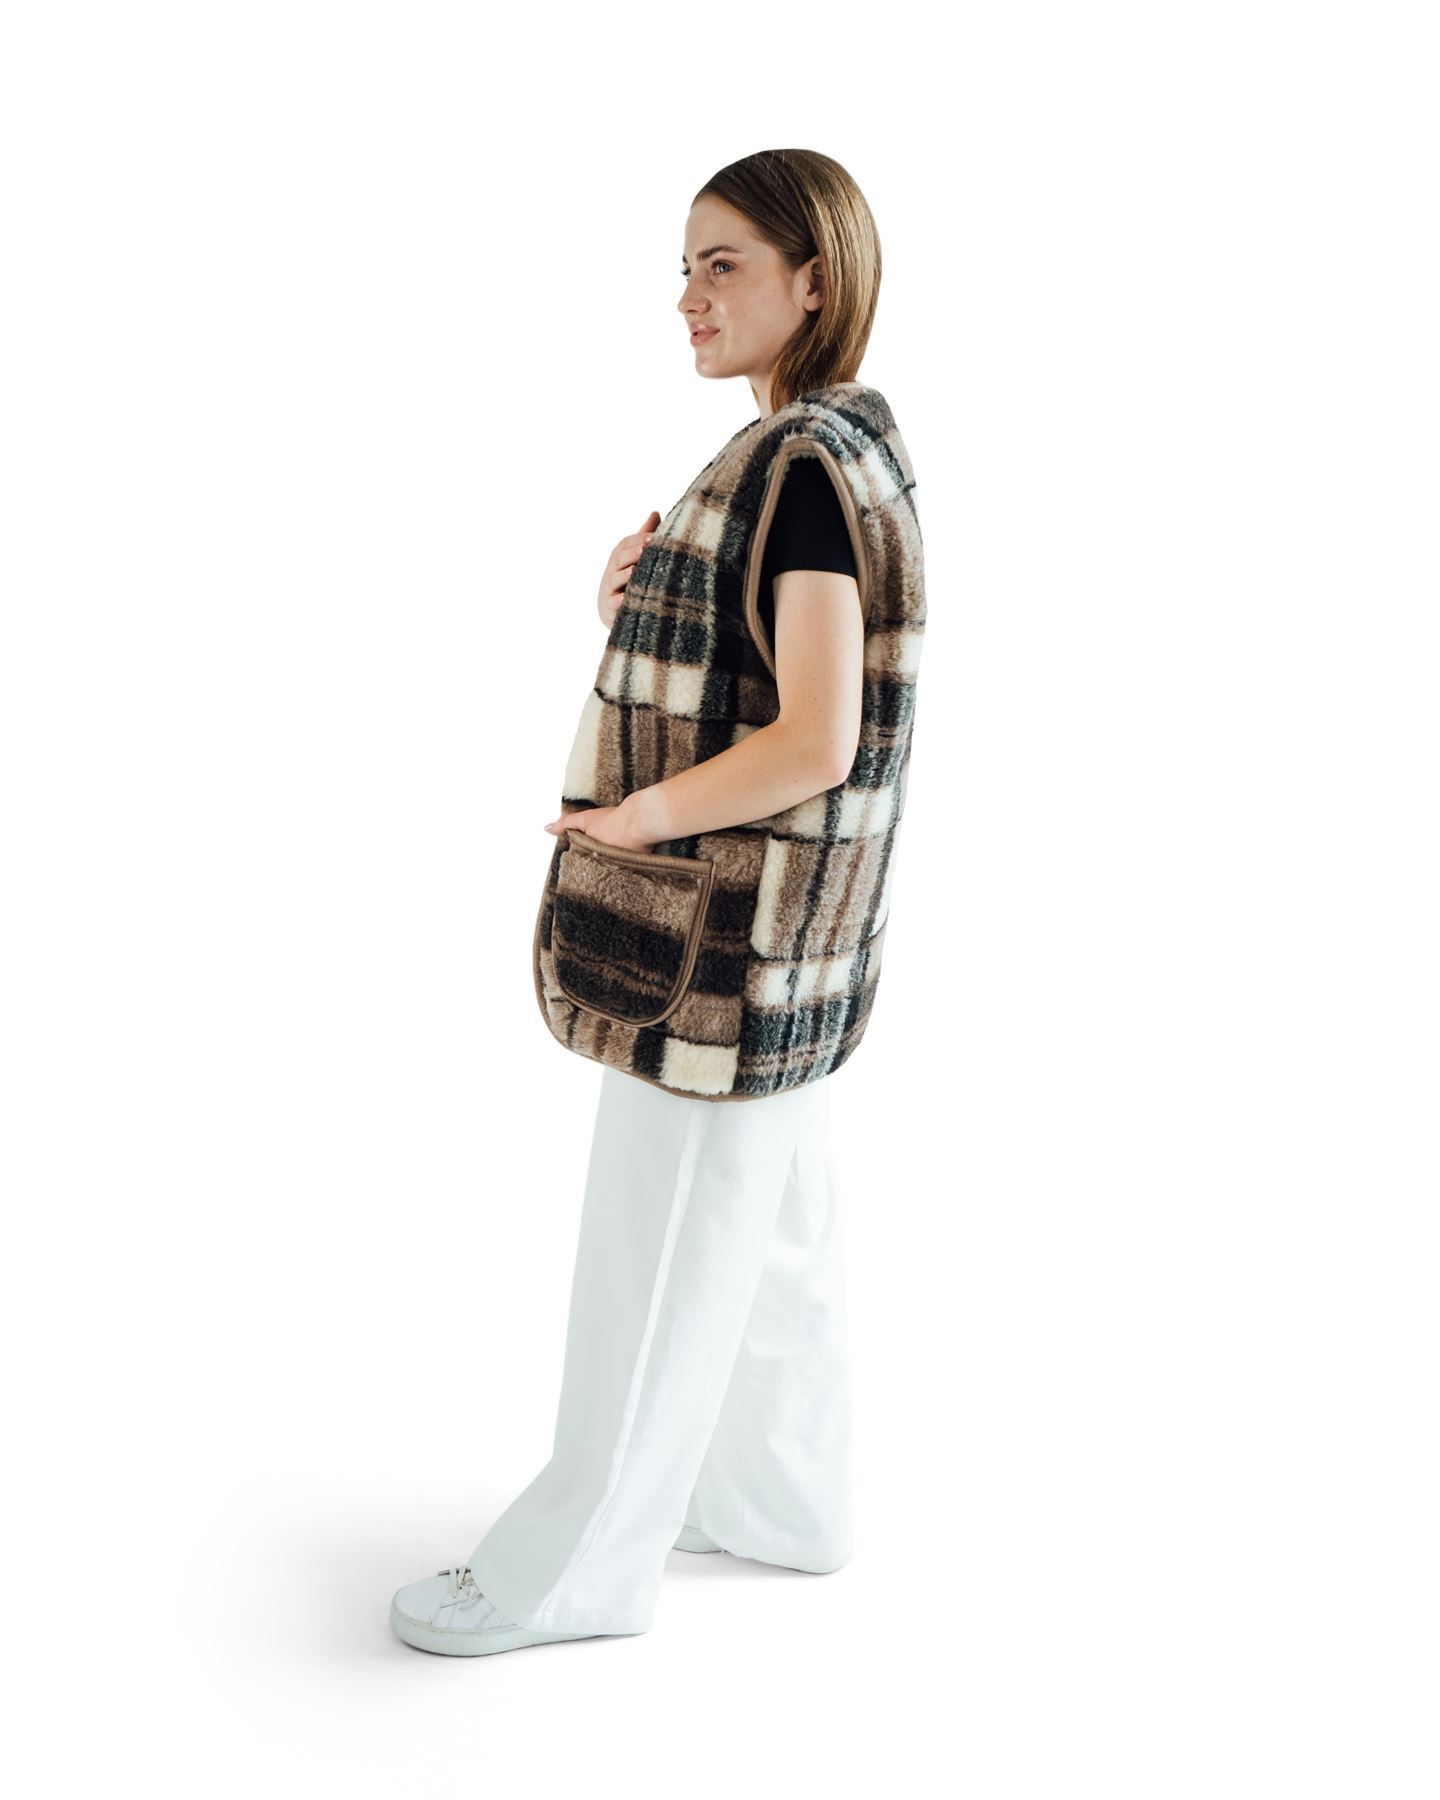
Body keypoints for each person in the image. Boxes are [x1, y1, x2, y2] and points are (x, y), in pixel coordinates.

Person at [389, 147, 924, 1656]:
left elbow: (814, 738)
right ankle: (780, 1501)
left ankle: (572, 1572)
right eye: (684, 267)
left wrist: (636, 819)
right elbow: (773, 668)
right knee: (774, 1230)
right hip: (796, 939)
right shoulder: (838, 448)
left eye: (723, 264)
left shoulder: (797, 466)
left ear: (814, 280)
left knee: (661, 1236)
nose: (688, 295)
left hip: (718, 938)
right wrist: (650, 595)